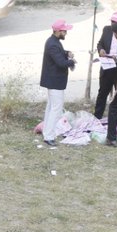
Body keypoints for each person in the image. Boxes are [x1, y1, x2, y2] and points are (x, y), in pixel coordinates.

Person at [39, 20, 76, 148]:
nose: (66, 33)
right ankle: (49, 136)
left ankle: (47, 132)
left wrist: (66, 53)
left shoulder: (54, 42)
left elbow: (58, 54)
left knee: (51, 108)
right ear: (57, 31)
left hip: (53, 81)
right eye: (64, 31)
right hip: (55, 81)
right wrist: (71, 62)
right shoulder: (53, 44)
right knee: (56, 109)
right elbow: (60, 63)